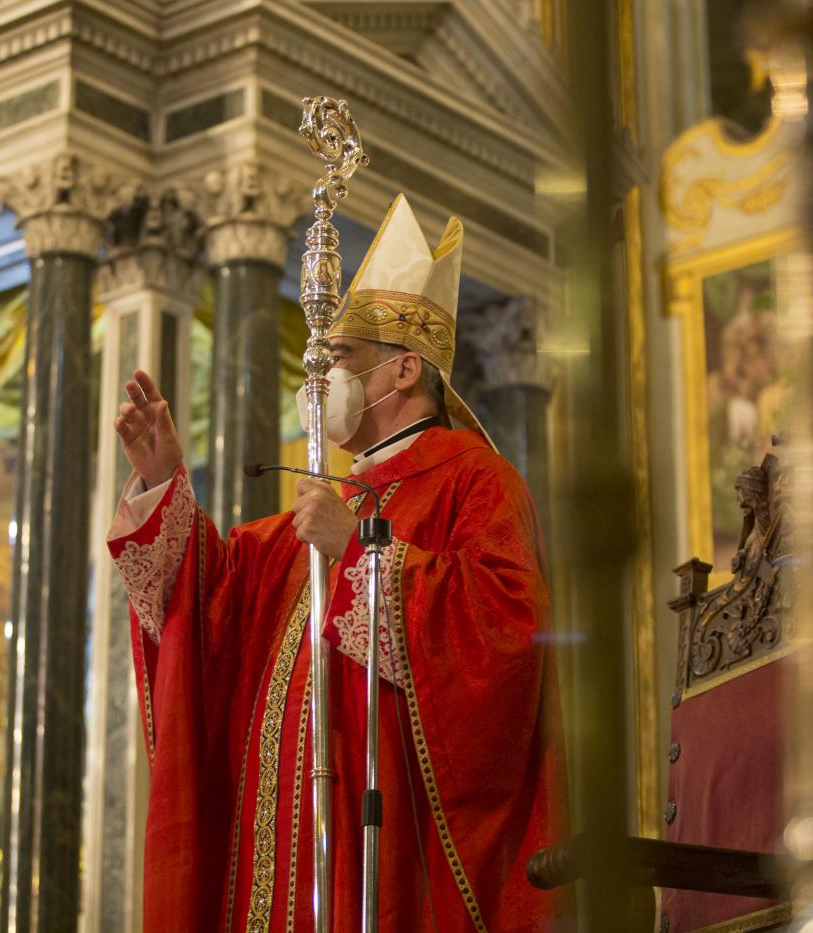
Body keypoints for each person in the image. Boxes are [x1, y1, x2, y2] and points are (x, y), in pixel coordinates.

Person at [108, 194, 565, 932]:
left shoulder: (474, 479)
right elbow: (209, 601)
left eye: (339, 357)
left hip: (381, 843)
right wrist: (163, 482)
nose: (317, 377)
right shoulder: (317, 508)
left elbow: (508, 633)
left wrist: (358, 552)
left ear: (405, 369)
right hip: (277, 846)